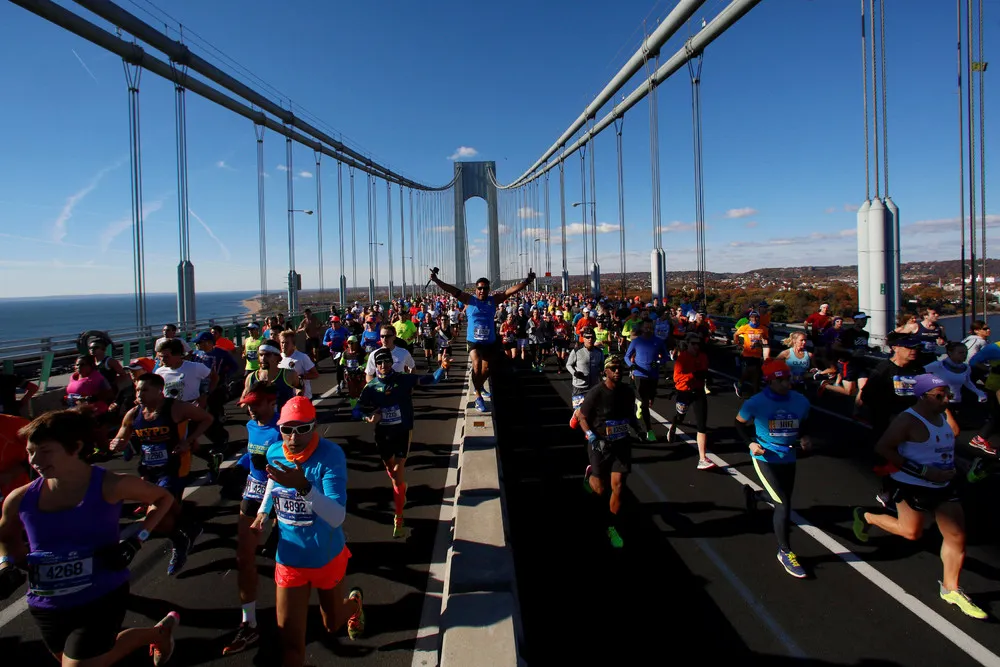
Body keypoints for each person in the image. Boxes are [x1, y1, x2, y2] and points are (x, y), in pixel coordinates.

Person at [0, 409, 180, 665]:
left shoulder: (111, 485)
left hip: (102, 594)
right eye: (30, 452)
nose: (34, 460)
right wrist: (6, 564)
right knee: (69, 659)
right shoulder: (19, 498)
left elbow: (164, 498)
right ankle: (159, 633)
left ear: (75, 447)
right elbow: (6, 536)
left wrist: (137, 539)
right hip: (46, 603)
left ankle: (157, 634)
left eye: (45, 451)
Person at [851, 375, 987, 620]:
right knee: (911, 532)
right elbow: (883, 448)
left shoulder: (943, 413)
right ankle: (867, 516)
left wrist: (950, 465)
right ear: (922, 396)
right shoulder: (907, 421)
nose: (946, 399)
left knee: (957, 536)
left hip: (944, 485)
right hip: (912, 485)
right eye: (939, 396)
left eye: (948, 395)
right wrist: (925, 471)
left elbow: (952, 434)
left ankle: (951, 588)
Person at [252, 397, 365, 667]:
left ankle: (354, 605)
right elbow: (273, 484)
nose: (293, 437)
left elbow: (337, 517)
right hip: (289, 560)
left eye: (303, 429)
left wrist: (304, 487)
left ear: (315, 427)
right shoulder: (275, 452)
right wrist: (262, 513)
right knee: (290, 648)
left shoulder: (330, 455)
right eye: (287, 429)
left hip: (326, 556)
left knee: (332, 624)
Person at [109, 373, 213, 574]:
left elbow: (206, 419)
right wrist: (117, 443)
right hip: (149, 471)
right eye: (138, 390)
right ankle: (185, 532)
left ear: (159, 390)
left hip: (174, 468)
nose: (139, 394)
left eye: (145, 390)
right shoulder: (133, 414)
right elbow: (120, 437)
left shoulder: (175, 408)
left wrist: (188, 441)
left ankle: (167, 538)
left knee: (156, 512)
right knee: (162, 521)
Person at [736, 359, 814, 579]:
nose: (787, 384)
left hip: (788, 456)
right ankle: (785, 551)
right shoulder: (755, 402)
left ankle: (753, 496)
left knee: (781, 496)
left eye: (788, 379)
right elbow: (739, 423)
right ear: (770, 381)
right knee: (783, 502)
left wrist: (805, 436)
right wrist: (750, 443)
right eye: (781, 380)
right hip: (765, 456)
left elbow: (805, 421)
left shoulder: (800, 401)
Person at [355, 347, 445, 537]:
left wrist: (442, 368)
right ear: (375, 366)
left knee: (397, 472)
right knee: (392, 471)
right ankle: (401, 489)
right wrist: (368, 418)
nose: (383, 366)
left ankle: (399, 517)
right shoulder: (371, 388)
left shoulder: (403, 379)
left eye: (386, 361)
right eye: (379, 363)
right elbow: (356, 410)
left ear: (391, 362)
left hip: (403, 431)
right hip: (383, 435)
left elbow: (429, 381)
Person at [223, 382, 283, 655]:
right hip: (255, 490)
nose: (250, 410)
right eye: (247, 405)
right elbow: (252, 455)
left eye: (255, 405)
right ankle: (249, 623)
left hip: (283, 494)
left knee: (288, 563)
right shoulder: (251, 426)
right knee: (244, 558)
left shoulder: (285, 428)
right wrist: (238, 467)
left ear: (272, 403)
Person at [430, 268, 534, 412]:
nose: (482, 291)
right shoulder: (469, 299)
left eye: (485, 288)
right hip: (474, 341)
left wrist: (527, 281)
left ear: (488, 289)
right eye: (479, 288)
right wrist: (436, 280)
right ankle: (478, 396)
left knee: (487, 369)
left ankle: (480, 386)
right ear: (476, 289)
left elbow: (510, 291)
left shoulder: (493, 300)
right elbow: (451, 290)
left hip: (489, 342)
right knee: (477, 364)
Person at [575, 355, 642, 549]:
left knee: (619, 486)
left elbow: (630, 414)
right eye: (613, 368)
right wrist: (591, 436)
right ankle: (591, 476)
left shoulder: (628, 392)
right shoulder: (596, 393)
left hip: (621, 444)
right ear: (605, 371)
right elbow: (582, 417)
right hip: (600, 446)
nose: (617, 371)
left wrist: (638, 429)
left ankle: (612, 526)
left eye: (619, 368)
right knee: (600, 490)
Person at [670, 334, 714, 469]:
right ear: (688, 344)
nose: (696, 346)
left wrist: (708, 379)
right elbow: (677, 378)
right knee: (681, 416)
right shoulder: (682, 358)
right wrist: (693, 375)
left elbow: (705, 371)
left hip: (699, 392)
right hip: (684, 392)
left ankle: (702, 458)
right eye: (693, 344)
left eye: (698, 344)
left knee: (702, 424)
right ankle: (674, 424)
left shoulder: (703, 357)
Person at [624, 320, 668, 442]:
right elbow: (627, 356)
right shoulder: (636, 341)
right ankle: (649, 430)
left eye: (650, 328)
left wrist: (658, 362)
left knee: (650, 401)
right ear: (642, 329)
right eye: (646, 327)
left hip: (653, 376)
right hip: (640, 375)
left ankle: (643, 406)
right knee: (645, 403)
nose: (648, 330)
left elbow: (666, 357)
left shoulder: (658, 341)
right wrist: (631, 366)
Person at [567, 328, 604, 430]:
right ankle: (575, 416)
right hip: (580, 386)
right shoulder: (576, 351)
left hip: (593, 386)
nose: (590, 339)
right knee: (580, 411)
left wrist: (602, 372)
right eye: (587, 337)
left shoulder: (599, 352)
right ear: (583, 338)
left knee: (592, 410)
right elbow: (568, 365)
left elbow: (602, 366)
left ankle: (589, 432)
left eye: (592, 337)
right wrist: (575, 373)